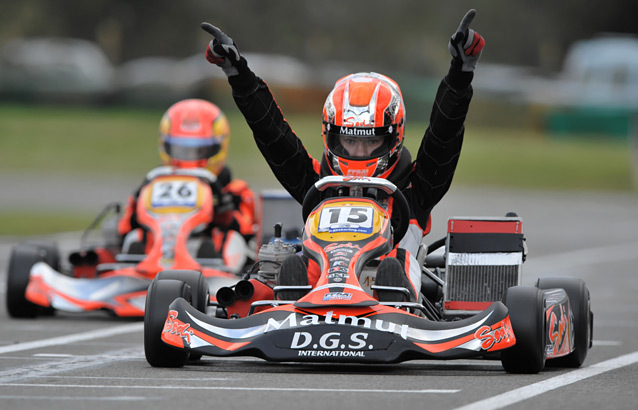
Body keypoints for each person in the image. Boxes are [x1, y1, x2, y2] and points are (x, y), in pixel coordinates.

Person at [200, 9, 485, 301]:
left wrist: (460, 73)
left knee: (393, 265)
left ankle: (391, 295)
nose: (359, 152)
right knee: (287, 267)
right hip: (313, 296)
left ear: (393, 137)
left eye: (372, 141)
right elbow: (274, 136)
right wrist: (239, 76)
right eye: (349, 140)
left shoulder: (416, 190)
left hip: (390, 300)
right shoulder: (319, 184)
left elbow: (443, 136)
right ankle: (290, 298)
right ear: (332, 137)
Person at [117, 99, 257, 273]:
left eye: (200, 151)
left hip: (208, 264)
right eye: (181, 150)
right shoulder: (153, 184)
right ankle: (137, 272)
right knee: (135, 237)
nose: (189, 158)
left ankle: (221, 275)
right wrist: (138, 209)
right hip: (155, 258)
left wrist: (223, 212)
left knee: (231, 239)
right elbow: (123, 230)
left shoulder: (235, 190)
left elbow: (247, 231)